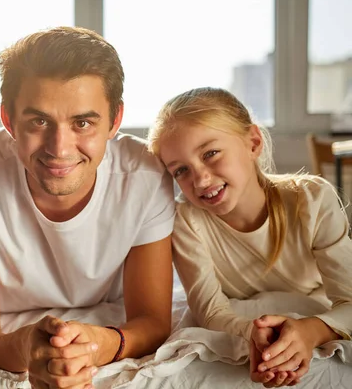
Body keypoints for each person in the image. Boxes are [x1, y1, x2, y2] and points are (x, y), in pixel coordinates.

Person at [0, 26, 175, 389]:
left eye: (83, 123)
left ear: (115, 121)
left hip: (105, 325)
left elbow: (152, 321)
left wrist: (95, 346)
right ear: (9, 120)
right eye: (39, 121)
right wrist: (28, 349)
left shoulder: (144, 175)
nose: (59, 148)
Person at [149, 87, 352, 388]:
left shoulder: (311, 199)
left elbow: (348, 300)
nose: (201, 179)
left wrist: (311, 331)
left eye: (210, 153)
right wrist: (253, 334)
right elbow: (211, 311)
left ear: (253, 142)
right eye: (181, 170)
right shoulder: (187, 221)